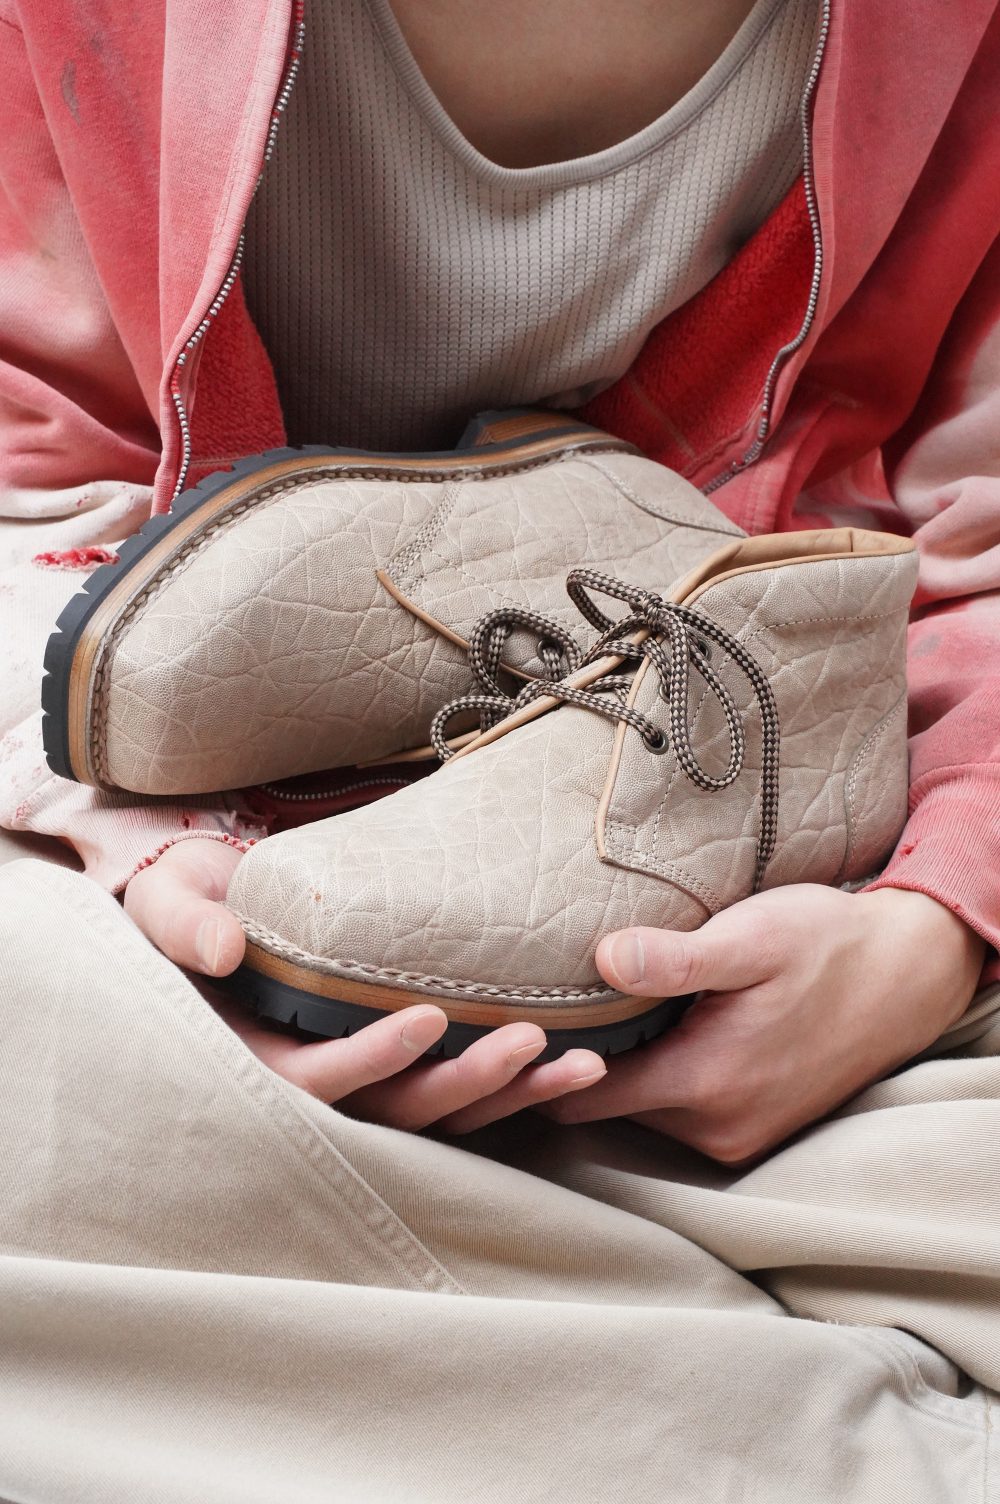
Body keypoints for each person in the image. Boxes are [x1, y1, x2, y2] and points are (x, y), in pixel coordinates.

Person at [1, 4, 999, 1492]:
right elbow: (27, 471)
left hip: (818, 819)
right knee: (44, 1039)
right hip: (153, 824)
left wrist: (930, 937)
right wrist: (149, 842)